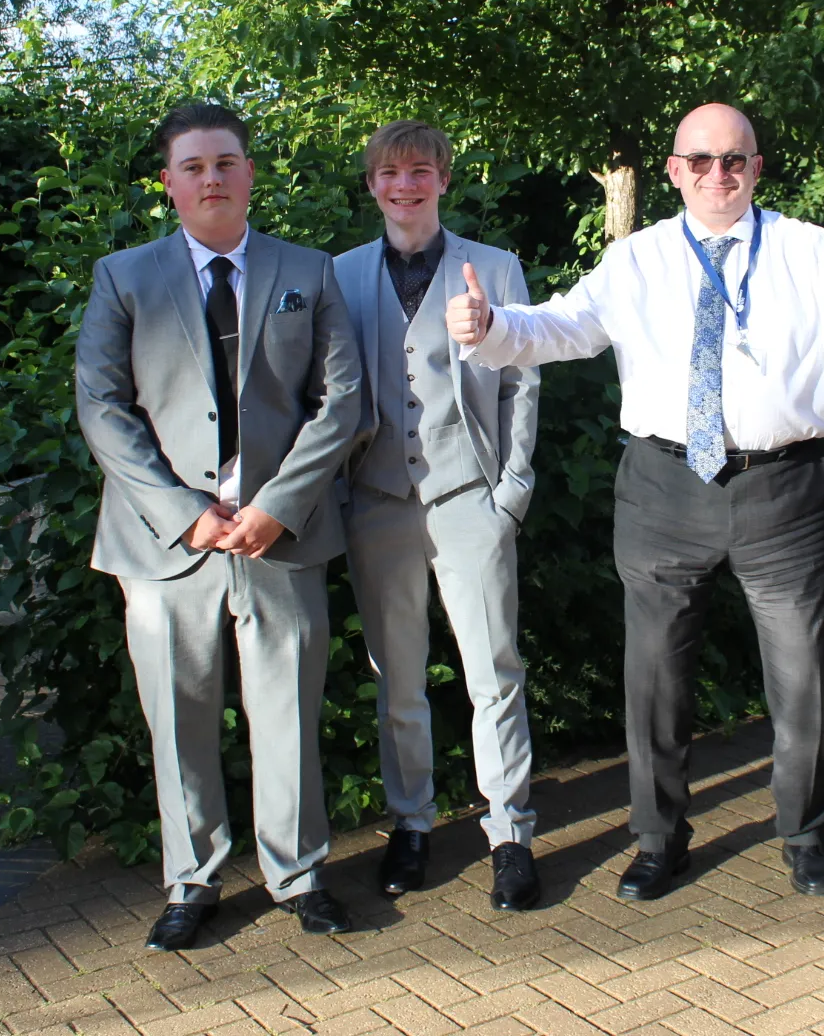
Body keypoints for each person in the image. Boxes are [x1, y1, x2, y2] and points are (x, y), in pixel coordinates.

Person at [449, 103, 824, 900]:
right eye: (701, 160)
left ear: (756, 168)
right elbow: (562, 327)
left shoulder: (808, 251)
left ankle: (806, 835)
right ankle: (658, 841)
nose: (718, 174)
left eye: (734, 160)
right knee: (655, 680)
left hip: (782, 489)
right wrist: (489, 327)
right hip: (662, 488)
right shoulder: (637, 258)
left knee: (803, 677)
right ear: (674, 170)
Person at [74, 103, 363, 948]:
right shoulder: (123, 277)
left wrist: (278, 505)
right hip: (166, 544)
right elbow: (102, 408)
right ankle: (192, 880)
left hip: (281, 535)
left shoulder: (309, 271)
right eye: (193, 167)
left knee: (289, 714)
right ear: (168, 183)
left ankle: (299, 875)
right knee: (179, 720)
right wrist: (183, 513)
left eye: (225, 163)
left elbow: (341, 400)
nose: (211, 179)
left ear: (249, 173)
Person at [334, 120, 543, 912]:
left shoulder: (494, 267)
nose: (405, 185)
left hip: (469, 497)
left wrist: (510, 492)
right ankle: (411, 823)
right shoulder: (339, 275)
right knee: (398, 679)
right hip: (377, 503)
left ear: (444, 180)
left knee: (494, 672)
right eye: (390, 173)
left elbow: (523, 380)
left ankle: (510, 833)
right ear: (372, 185)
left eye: (420, 170)